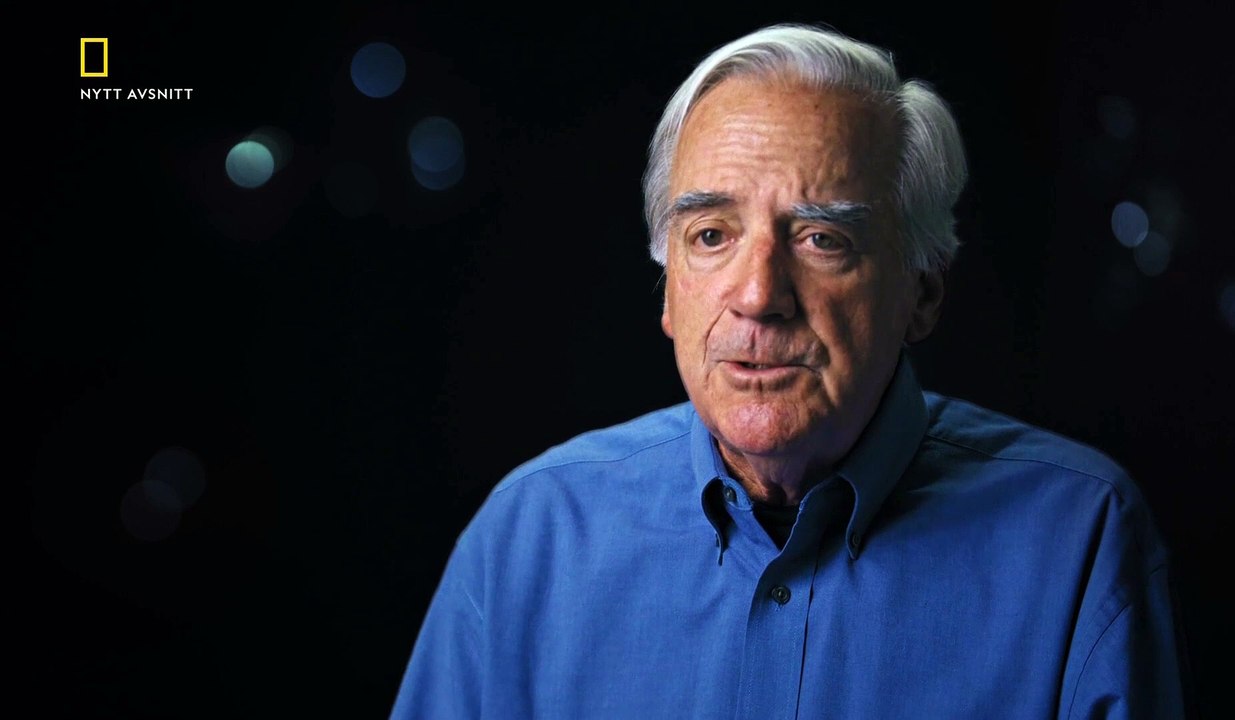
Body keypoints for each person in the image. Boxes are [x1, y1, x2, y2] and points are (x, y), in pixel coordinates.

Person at [391, 23, 1186, 719]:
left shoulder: (1078, 540)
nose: (758, 296)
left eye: (821, 239)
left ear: (923, 292)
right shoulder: (529, 538)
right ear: (668, 292)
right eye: (711, 236)